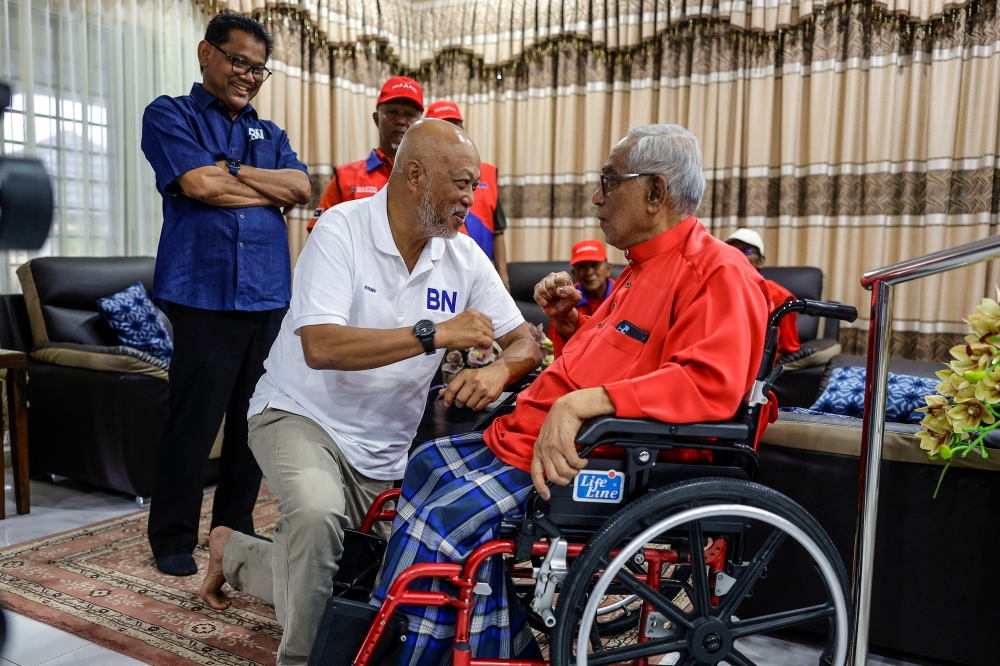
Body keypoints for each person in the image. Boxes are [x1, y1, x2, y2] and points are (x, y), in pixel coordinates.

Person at [371, 124, 773, 665]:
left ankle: (409, 652)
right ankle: (489, 642)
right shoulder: (637, 271)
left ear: (655, 192)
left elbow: (708, 384)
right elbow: (603, 360)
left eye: (609, 181)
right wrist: (567, 324)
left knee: (443, 523)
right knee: (425, 466)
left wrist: (583, 403)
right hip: (527, 434)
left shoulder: (718, 271)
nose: (597, 197)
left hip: (594, 458)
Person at [197, 119, 543, 666]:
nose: (469, 199)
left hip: (384, 448)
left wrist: (501, 371)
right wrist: (435, 333)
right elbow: (322, 346)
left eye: (474, 186)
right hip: (299, 414)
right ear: (415, 176)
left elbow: (526, 340)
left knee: (382, 587)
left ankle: (234, 553)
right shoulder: (340, 229)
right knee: (316, 516)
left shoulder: (464, 256)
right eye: (460, 184)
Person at [140, 12, 311, 577]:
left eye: (259, 69)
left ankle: (233, 528)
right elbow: (197, 184)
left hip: (268, 294)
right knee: (194, 419)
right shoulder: (171, 114)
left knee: (252, 420)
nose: (248, 76)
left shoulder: (270, 133)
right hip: (202, 290)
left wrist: (232, 171)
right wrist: (263, 191)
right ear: (205, 53)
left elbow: (302, 187)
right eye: (239, 61)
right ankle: (171, 535)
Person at [306, 76, 424, 229]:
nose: (401, 120)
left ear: (421, 124)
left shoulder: (431, 178)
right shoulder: (345, 177)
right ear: (376, 119)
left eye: (409, 115)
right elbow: (322, 230)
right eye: (392, 112)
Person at [424, 100, 510, 290]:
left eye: (457, 127)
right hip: (435, 278)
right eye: (444, 128)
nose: (452, 134)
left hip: (480, 275)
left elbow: (498, 232)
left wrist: (503, 279)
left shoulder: (487, 173)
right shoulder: (421, 176)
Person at [725, 228, 800, 356]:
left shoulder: (781, 297)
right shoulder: (718, 291)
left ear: (761, 261)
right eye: (731, 251)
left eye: (745, 251)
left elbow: (788, 348)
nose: (736, 256)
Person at [548, 238, 615, 357]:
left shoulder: (623, 294)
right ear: (574, 273)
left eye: (595, 265)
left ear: (608, 269)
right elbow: (555, 346)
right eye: (582, 267)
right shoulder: (564, 299)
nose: (589, 272)